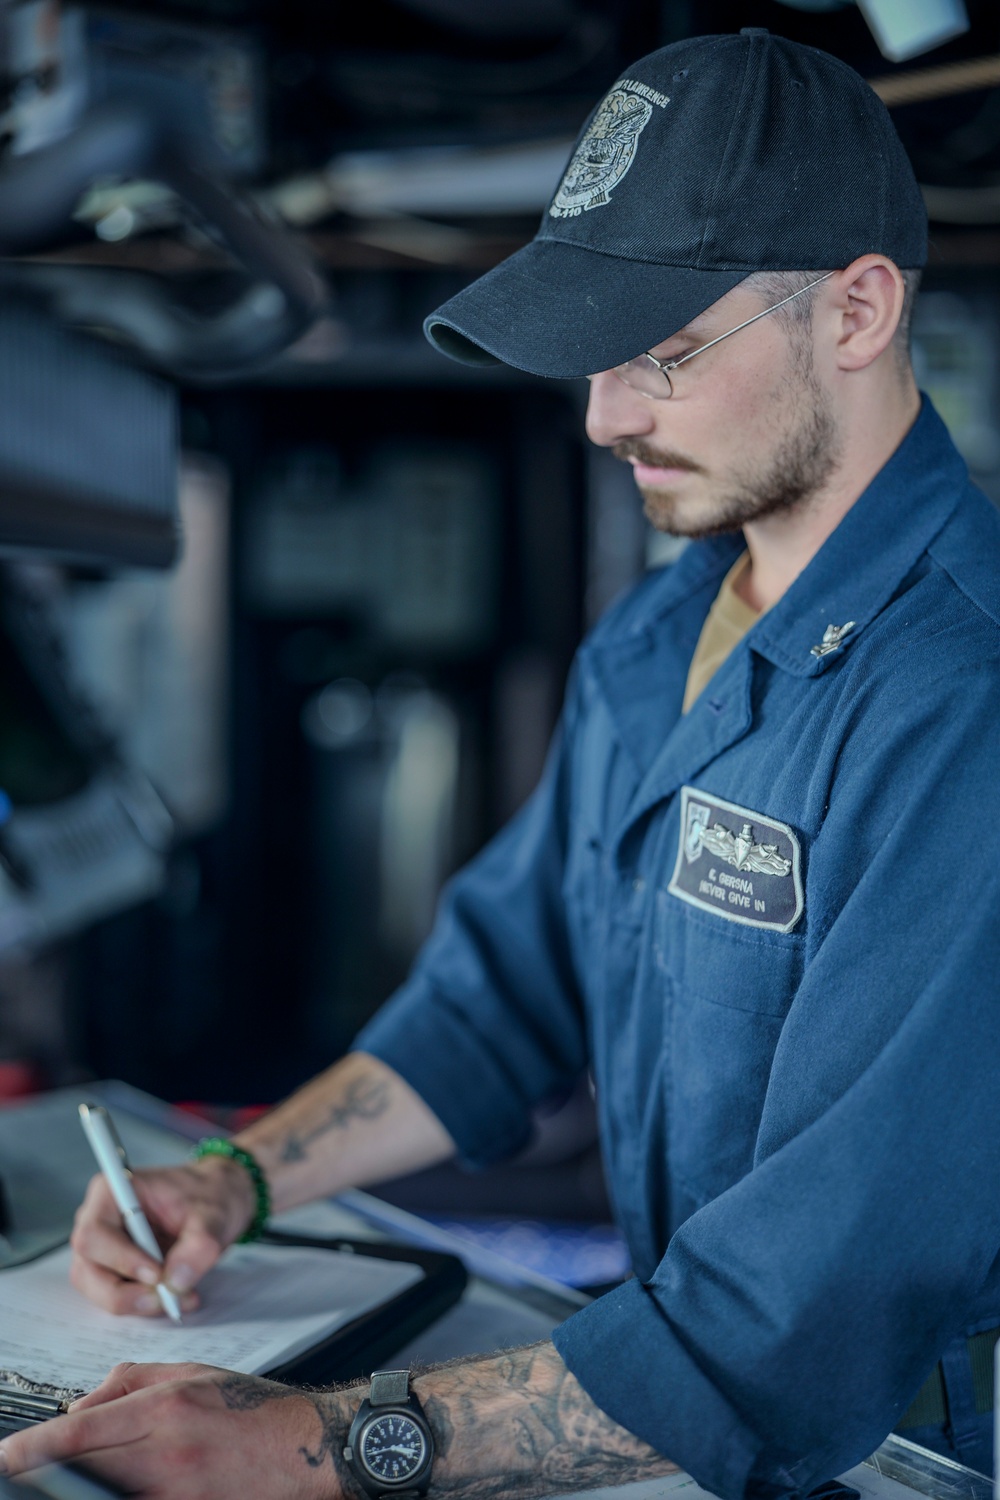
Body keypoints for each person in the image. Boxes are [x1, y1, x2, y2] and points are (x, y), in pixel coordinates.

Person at [4, 25, 1000, 1500]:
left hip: (907, 1452)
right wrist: (239, 1177)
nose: (605, 415)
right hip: (687, 1414)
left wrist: (317, 1448)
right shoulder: (668, 630)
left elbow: (807, 1311)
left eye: (660, 353)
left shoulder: (963, 704)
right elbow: (495, 1000)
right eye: (595, 356)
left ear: (855, 312)